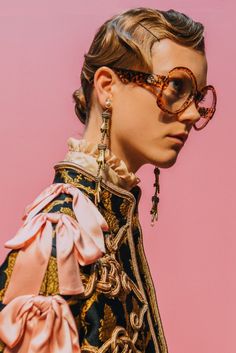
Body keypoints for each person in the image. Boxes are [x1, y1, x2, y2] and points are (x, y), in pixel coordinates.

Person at [0, 7, 217, 353]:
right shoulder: (61, 232)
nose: (191, 113)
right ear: (106, 87)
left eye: (198, 97)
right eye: (176, 86)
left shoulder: (111, 218)